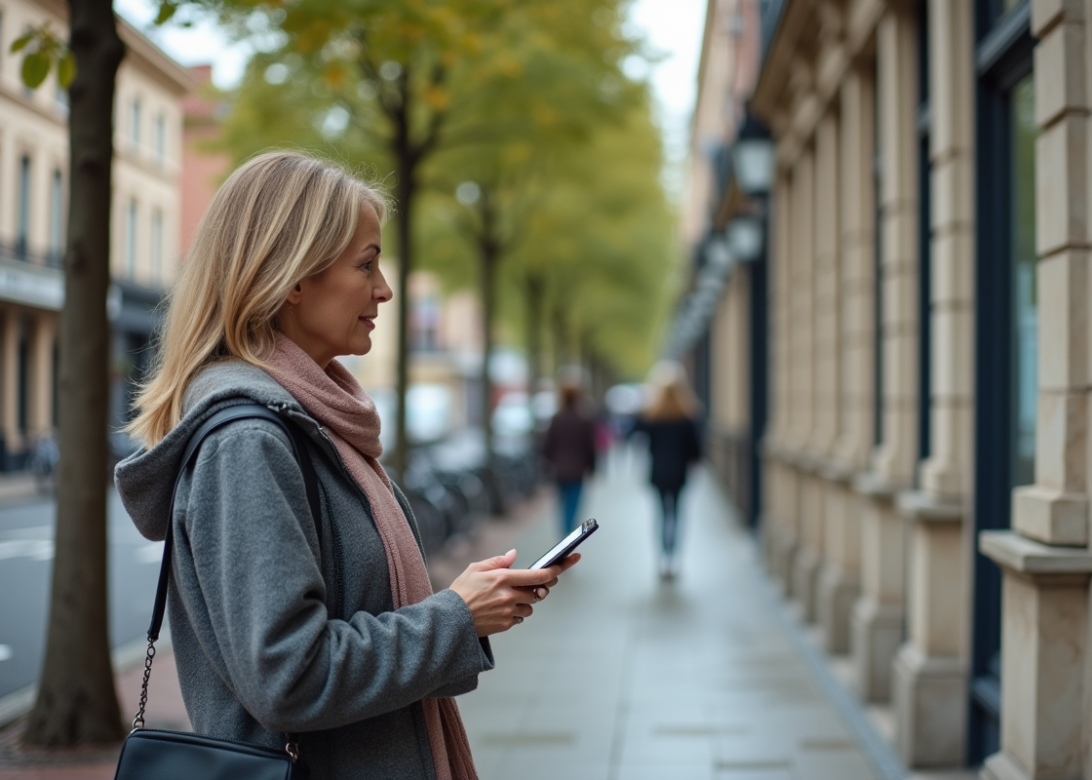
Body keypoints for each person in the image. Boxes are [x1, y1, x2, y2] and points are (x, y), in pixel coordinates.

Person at [115, 151, 579, 780]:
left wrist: (470, 606)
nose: (384, 289)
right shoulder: (249, 442)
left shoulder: (322, 425)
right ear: (292, 278)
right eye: (366, 264)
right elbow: (289, 675)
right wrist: (455, 618)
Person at [632, 362, 703, 580]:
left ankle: (663, 557)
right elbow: (696, 451)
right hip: (679, 473)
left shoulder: (652, 416)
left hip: (658, 472)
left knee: (661, 514)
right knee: (678, 514)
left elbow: (637, 435)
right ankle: (673, 558)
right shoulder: (687, 417)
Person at [541, 382, 596, 535]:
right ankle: (569, 534)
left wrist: (548, 464)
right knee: (573, 504)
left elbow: (548, 445)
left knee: (562, 503)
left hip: (559, 469)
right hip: (578, 469)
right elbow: (590, 447)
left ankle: (564, 534)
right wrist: (592, 467)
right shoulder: (584, 419)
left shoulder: (556, 419)